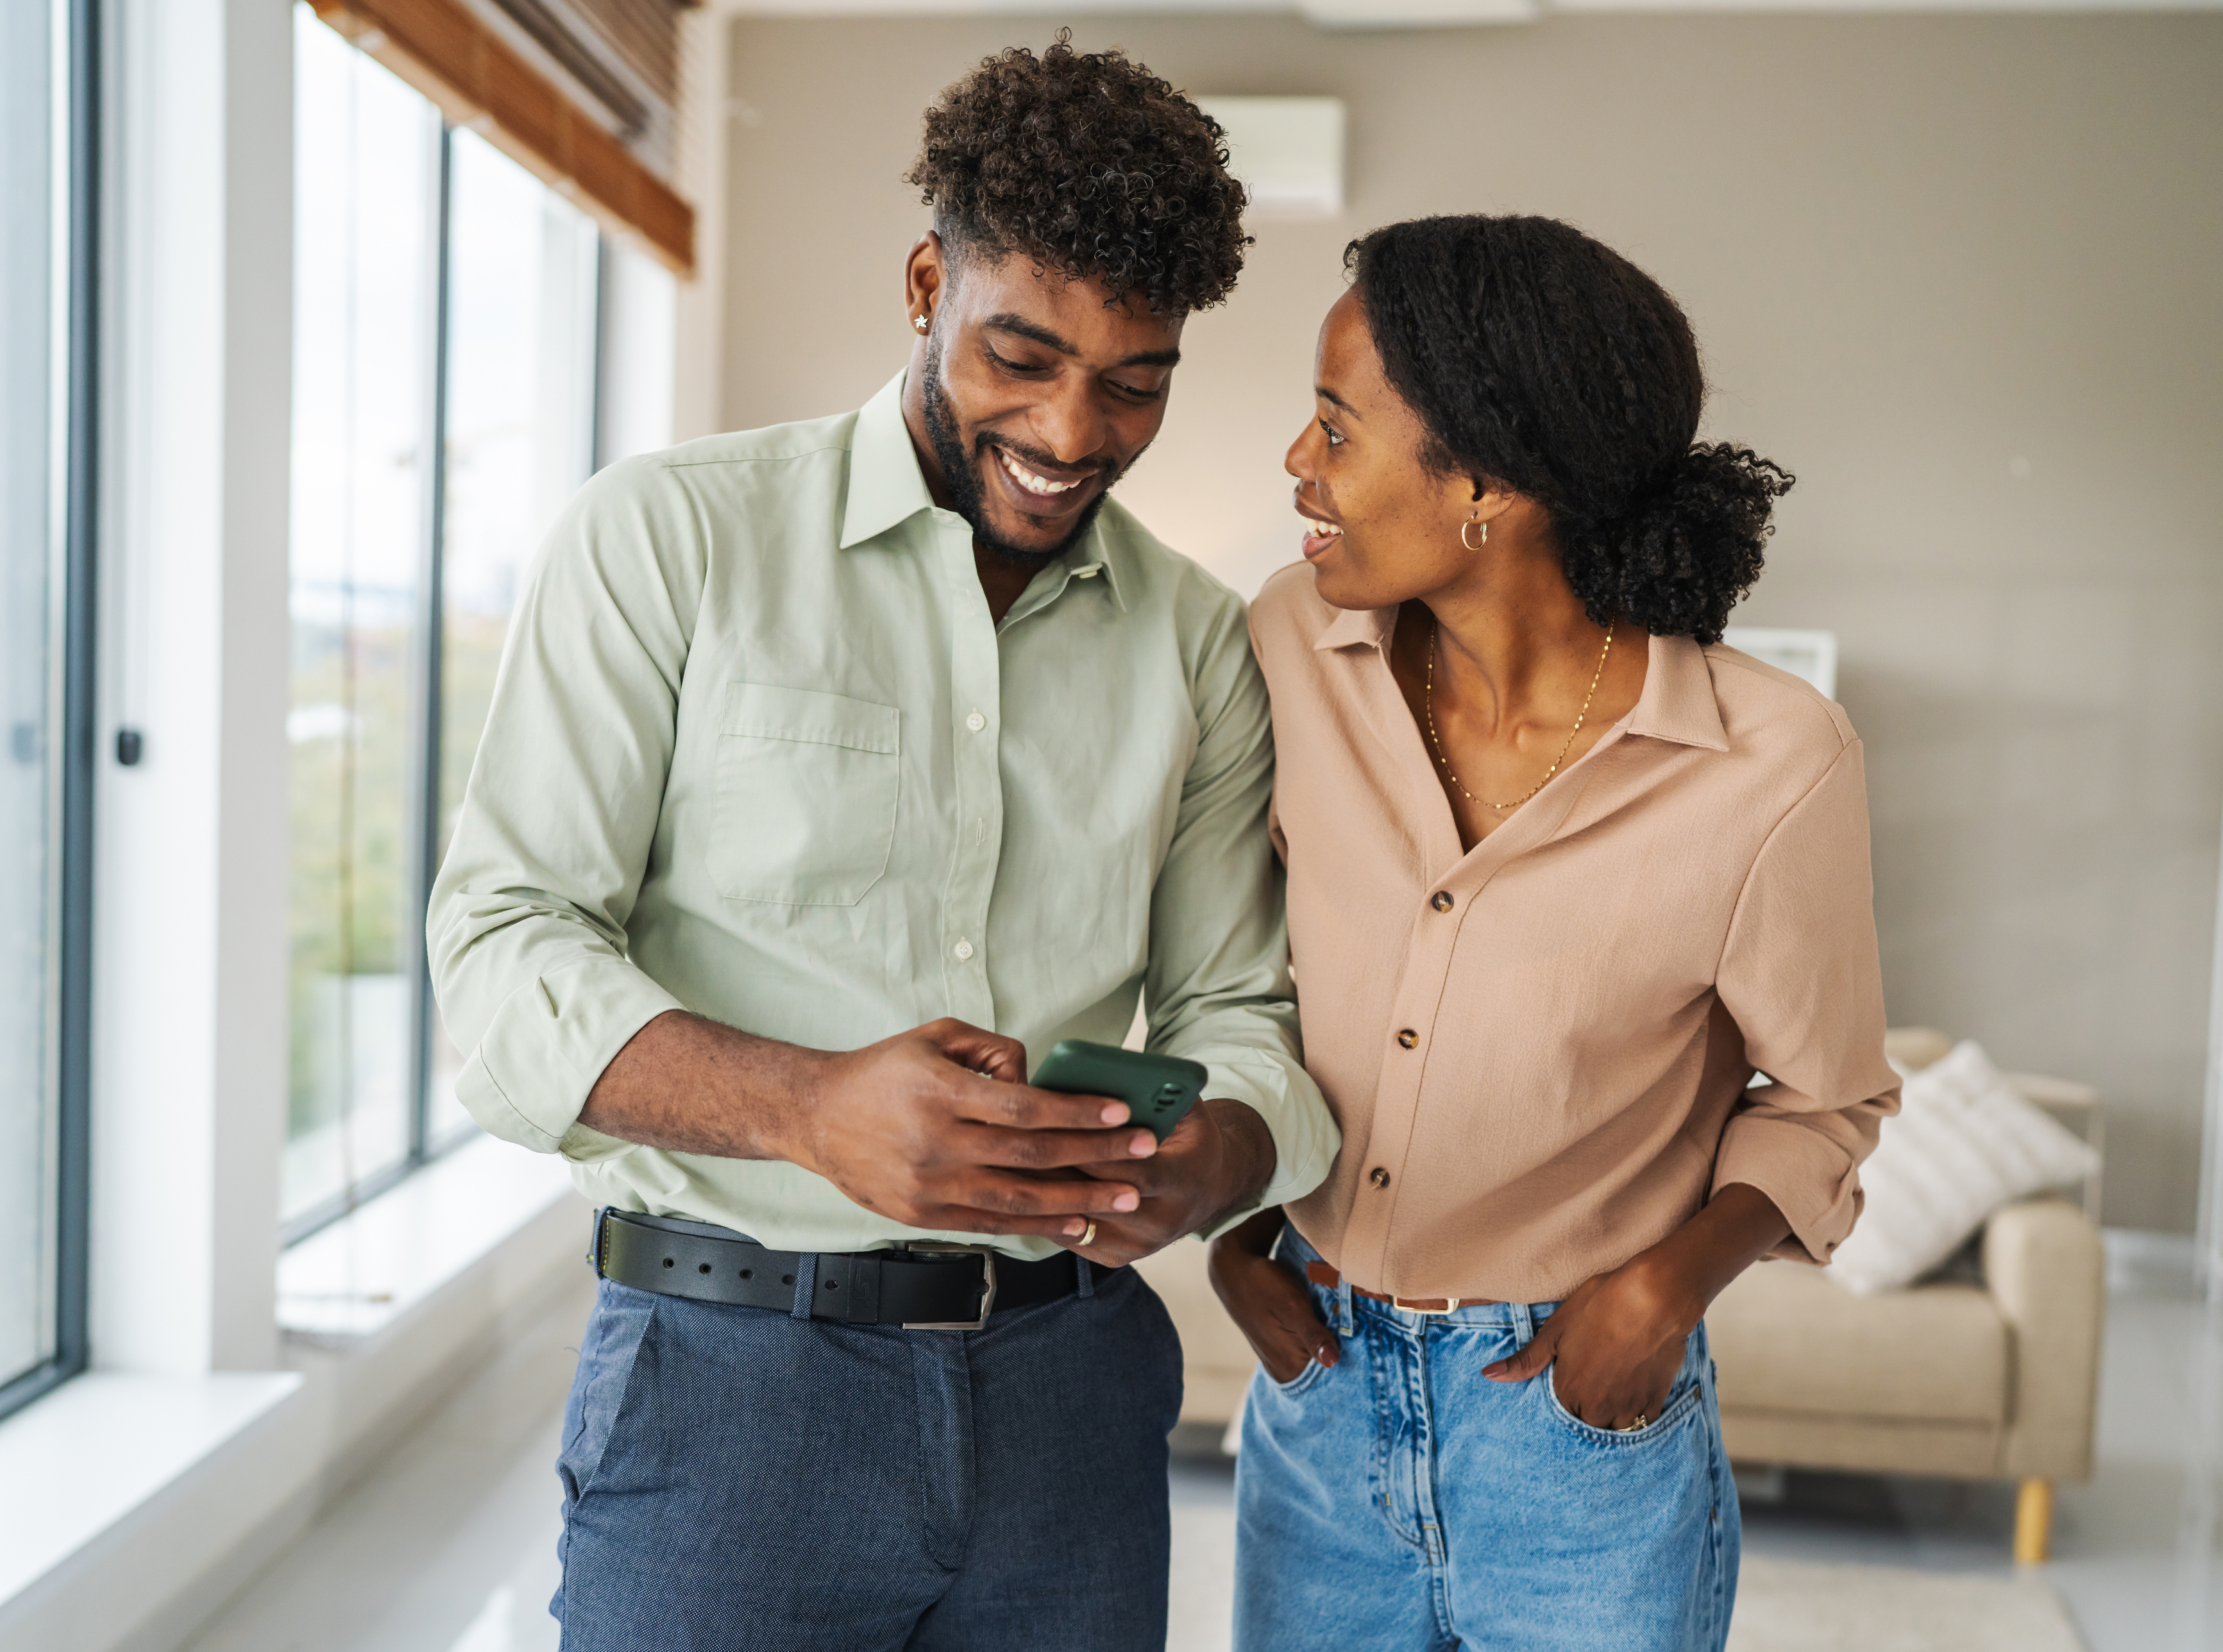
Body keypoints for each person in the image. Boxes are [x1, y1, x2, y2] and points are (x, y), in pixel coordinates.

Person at [427, 38, 1337, 1651]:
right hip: (729, 1395)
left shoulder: (1198, 640)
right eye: (1021, 355)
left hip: (1073, 1397)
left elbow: (1239, 1015)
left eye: (1136, 381)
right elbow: (503, 958)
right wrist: (808, 1107)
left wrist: (1217, 1159)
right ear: (928, 285)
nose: (1073, 429)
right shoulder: (671, 537)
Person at [1210, 215, 1903, 1651]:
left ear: (1485, 484)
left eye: (1335, 429)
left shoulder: (1772, 760)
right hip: (1320, 1391)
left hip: (1573, 1427)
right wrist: (1238, 1227)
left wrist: (1665, 1292)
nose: (1297, 464)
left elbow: (1827, 1100)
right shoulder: (1292, 647)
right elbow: (1231, 976)